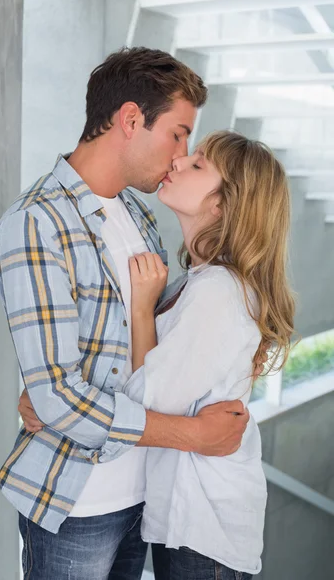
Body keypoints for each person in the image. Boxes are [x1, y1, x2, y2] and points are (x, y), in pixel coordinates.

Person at [0, 47, 264, 580]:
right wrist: (192, 435)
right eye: (179, 133)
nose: (181, 153)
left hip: (145, 502)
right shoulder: (36, 224)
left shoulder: (140, 215)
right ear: (131, 119)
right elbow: (57, 394)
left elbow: (154, 355)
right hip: (79, 507)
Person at [123, 130, 295, 579]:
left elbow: (149, 405)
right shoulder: (202, 281)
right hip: (195, 523)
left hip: (202, 528)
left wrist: (143, 311)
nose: (177, 160)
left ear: (222, 205)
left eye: (198, 164)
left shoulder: (217, 291)